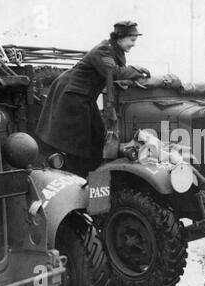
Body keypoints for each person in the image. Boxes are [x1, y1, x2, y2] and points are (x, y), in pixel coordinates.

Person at [36, 21, 150, 177]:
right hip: (72, 93)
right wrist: (136, 70)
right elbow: (114, 73)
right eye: (132, 40)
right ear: (120, 38)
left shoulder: (115, 51)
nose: (133, 44)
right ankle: (79, 175)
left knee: (97, 134)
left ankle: (94, 172)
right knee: (78, 140)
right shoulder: (103, 50)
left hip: (85, 96)